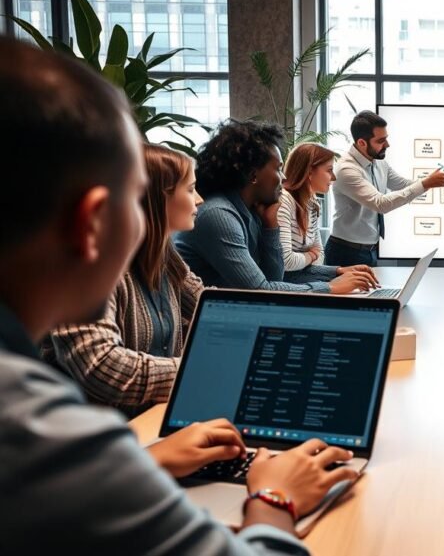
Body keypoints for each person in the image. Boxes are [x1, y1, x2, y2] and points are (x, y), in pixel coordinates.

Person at [0, 37, 358, 554]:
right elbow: (107, 370)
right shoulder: (38, 431)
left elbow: (221, 306)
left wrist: (150, 461)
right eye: (133, 198)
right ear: (94, 222)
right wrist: (276, 498)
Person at [43, 144, 204, 417]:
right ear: (155, 197)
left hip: (150, 417)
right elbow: (102, 366)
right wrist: (197, 371)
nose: (199, 199)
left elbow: (210, 304)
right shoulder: (90, 265)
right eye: (190, 189)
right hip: (88, 438)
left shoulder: (163, 255)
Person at [176, 119, 377, 294]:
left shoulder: (253, 211)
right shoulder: (219, 215)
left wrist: (270, 225)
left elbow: (275, 277)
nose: (284, 177)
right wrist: (331, 287)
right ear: (253, 176)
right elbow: (260, 290)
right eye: (278, 169)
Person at [327, 110, 444, 267]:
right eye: (381, 141)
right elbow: (380, 204)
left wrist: (430, 181)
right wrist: (425, 184)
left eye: (386, 139)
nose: (387, 145)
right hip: (345, 252)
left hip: (370, 250)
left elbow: (402, 184)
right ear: (362, 143)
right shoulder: (346, 170)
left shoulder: (378, 162)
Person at [278, 142, 336, 282]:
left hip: (299, 281)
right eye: (329, 170)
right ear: (309, 172)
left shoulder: (312, 202)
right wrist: (310, 256)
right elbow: (286, 261)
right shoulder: (283, 200)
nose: (334, 177)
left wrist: (308, 257)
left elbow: (320, 255)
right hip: (283, 287)